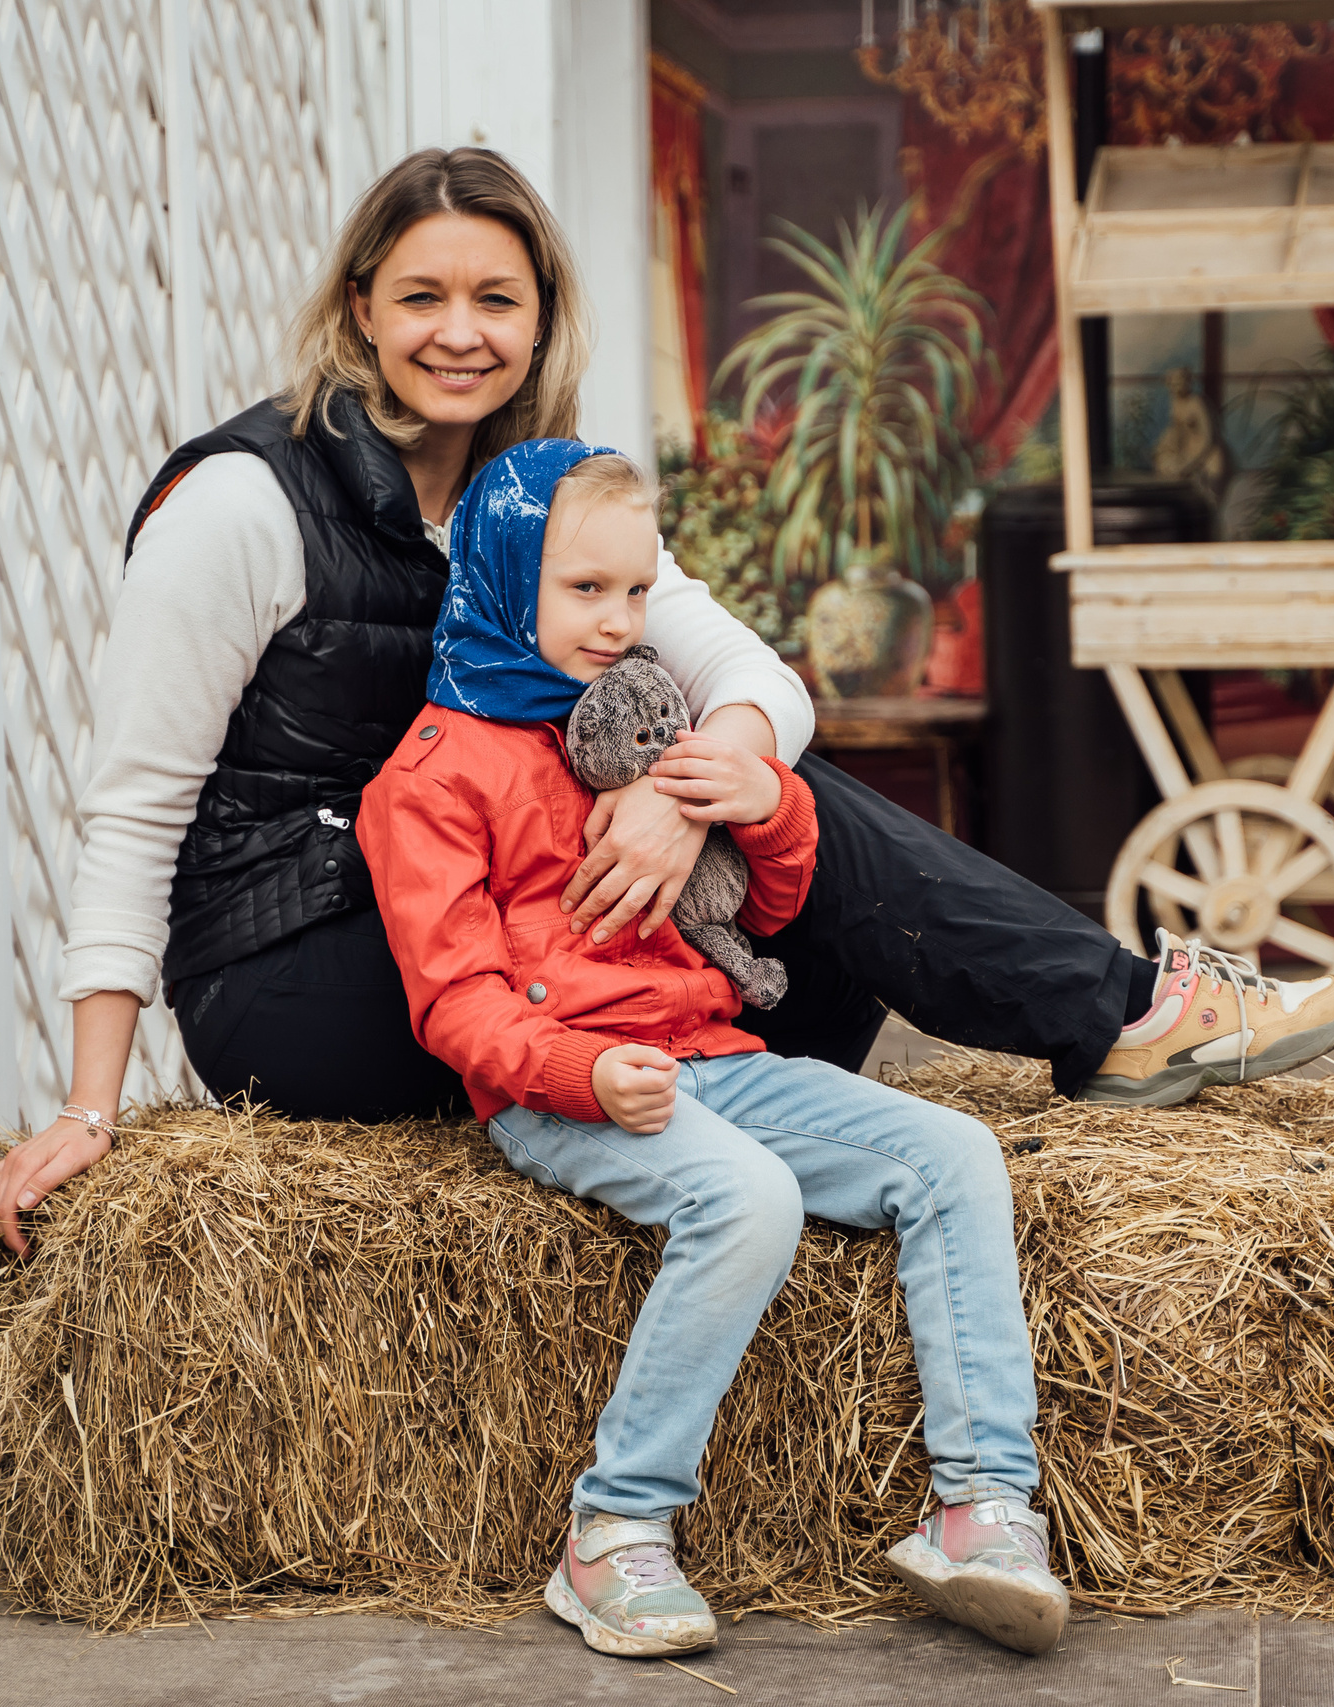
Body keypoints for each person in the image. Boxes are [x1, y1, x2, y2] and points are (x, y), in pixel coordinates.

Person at [0, 145, 1334, 1254]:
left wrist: (672, 790)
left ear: (540, 320)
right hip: (297, 968)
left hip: (503, 906)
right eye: (421, 297)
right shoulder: (238, 503)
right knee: (777, 823)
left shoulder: (538, 497)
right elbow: (134, 816)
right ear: (360, 310)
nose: (460, 333)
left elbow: (758, 680)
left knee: (778, 818)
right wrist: (91, 1106)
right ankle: (1123, 1013)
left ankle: (832, 1134)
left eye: (496, 300)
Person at [358, 439, 1065, 1659]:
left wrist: (767, 804)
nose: (620, 619)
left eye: (636, 591)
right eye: (585, 589)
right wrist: (578, 1073)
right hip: (567, 1087)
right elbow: (452, 1003)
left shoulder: (635, 725)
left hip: (714, 1054)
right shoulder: (428, 776)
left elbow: (763, 907)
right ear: (500, 570)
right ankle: (614, 1527)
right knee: (748, 1196)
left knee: (953, 1156)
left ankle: (982, 1507)